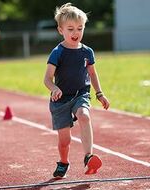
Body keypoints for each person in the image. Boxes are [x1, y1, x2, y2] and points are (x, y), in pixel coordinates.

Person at [44, 3, 110, 179]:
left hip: (81, 94)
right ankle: (63, 162)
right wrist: (54, 88)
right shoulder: (57, 52)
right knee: (65, 141)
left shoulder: (87, 52)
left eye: (80, 28)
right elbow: (47, 78)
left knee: (84, 115)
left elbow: (93, 74)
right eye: (71, 29)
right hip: (60, 100)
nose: (76, 33)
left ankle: (88, 157)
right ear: (60, 30)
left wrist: (100, 93)